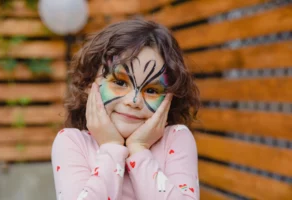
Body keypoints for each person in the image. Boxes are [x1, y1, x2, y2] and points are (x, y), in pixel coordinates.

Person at [51, 18, 201, 200]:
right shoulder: (72, 142)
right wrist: (111, 147)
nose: (134, 100)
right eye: (120, 82)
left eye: (152, 90)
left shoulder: (176, 139)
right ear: (89, 84)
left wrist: (139, 149)